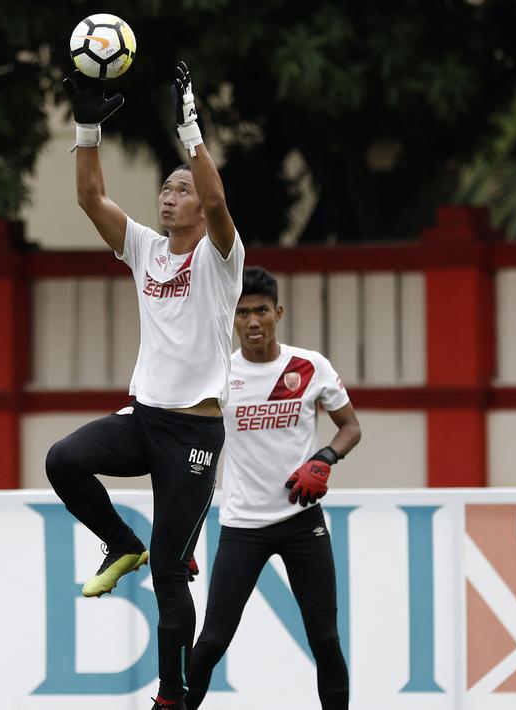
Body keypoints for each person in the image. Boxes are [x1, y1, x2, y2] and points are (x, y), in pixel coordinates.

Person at [49, 60, 244, 710]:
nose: (168, 196)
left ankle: (171, 696)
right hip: (143, 420)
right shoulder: (144, 249)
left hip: (194, 432)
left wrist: (190, 128)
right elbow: (88, 199)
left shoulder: (220, 259)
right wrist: (84, 127)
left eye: (179, 189)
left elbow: (218, 202)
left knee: (170, 573)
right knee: (64, 460)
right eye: (164, 187)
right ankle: (120, 541)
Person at [184, 267, 360, 709]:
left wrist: (324, 459)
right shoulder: (218, 375)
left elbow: (350, 428)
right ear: (233, 320)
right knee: (212, 640)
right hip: (243, 525)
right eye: (242, 313)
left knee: (325, 638)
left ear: (278, 312)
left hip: (303, 522)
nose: (253, 321)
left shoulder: (310, 366)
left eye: (261, 310)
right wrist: (183, 533)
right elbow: (191, 453)